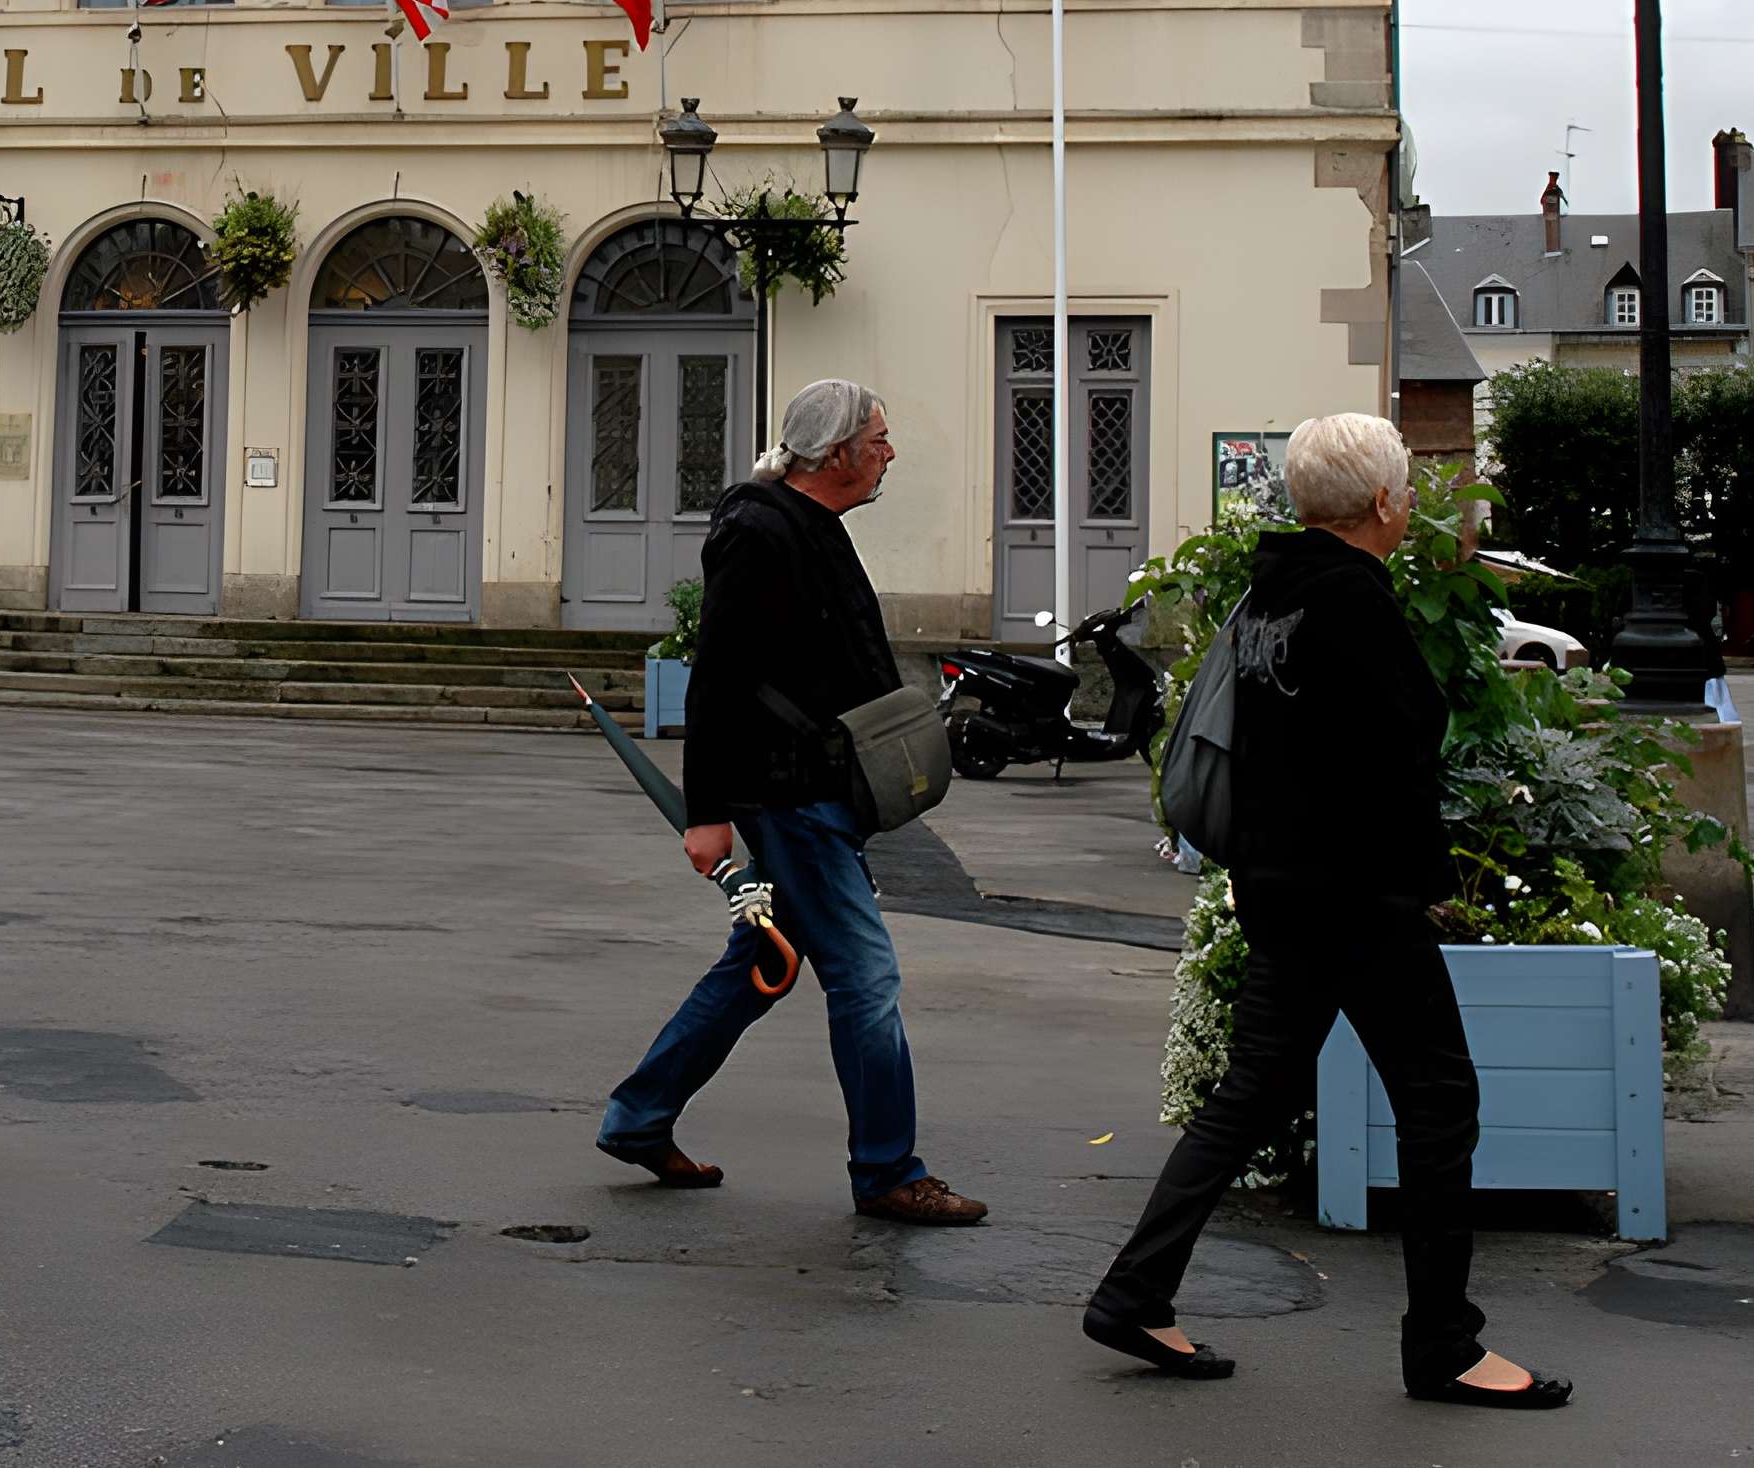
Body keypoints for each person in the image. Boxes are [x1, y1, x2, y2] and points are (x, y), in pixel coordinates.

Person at [1082, 411, 1570, 1409]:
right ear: (1386, 503)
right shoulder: (1353, 596)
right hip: (1355, 894)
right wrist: (1427, 877)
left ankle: (1136, 1289)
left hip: (1278, 884)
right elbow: (1399, 742)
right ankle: (1443, 1343)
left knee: (1251, 1091)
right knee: (1437, 1103)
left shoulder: (1272, 592)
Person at [595, 378, 987, 1228]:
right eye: (878, 439)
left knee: (759, 969)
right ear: (838, 453)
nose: (890, 453)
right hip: (790, 795)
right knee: (866, 977)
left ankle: (638, 1118)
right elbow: (718, 681)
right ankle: (887, 1171)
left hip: (819, 793)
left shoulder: (811, 523)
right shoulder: (760, 535)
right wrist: (707, 813)